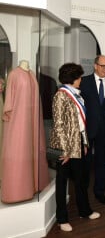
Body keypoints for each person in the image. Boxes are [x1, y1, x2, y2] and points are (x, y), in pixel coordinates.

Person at [50, 63, 100, 232]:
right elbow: (59, 125)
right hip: (65, 145)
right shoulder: (61, 95)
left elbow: (81, 123)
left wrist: (84, 143)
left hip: (78, 140)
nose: (81, 81)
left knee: (81, 180)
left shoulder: (77, 95)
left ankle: (85, 211)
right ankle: (62, 218)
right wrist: (66, 151)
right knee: (62, 182)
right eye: (79, 78)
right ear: (73, 79)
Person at [1, 60, 49, 203]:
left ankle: (34, 185)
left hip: (33, 119)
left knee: (32, 149)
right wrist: (8, 113)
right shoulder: (14, 74)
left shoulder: (32, 74)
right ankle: (17, 191)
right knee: (19, 150)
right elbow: (9, 98)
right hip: (19, 121)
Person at [80, 55, 105, 204]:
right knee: (85, 163)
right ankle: (82, 192)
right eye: (103, 66)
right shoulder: (83, 82)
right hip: (87, 130)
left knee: (103, 162)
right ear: (95, 66)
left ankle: (99, 192)